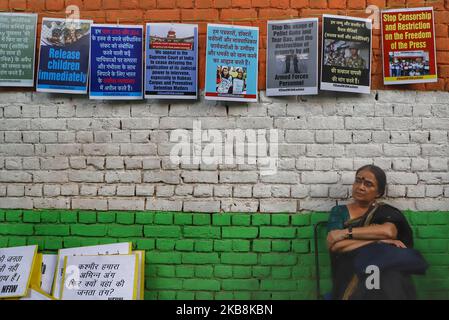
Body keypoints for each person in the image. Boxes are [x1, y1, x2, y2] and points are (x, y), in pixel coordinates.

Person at [327, 165, 421, 300]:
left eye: (368, 184)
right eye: (358, 181)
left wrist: (345, 233)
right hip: (348, 274)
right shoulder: (339, 212)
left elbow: (388, 232)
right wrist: (377, 241)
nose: (360, 187)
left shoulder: (385, 212)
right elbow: (335, 245)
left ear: (378, 192)